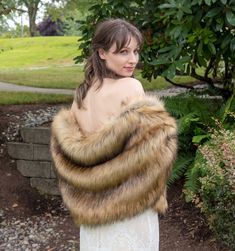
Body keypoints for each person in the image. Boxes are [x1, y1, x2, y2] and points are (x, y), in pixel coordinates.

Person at [51, 19, 177, 251]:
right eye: (123, 52)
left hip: (94, 207)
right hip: (128, 203)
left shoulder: (83, 93)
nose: (133, 60)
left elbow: (80, 152)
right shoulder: (130, 86)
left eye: (136, 51)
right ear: (102, 53)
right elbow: (150, 151)